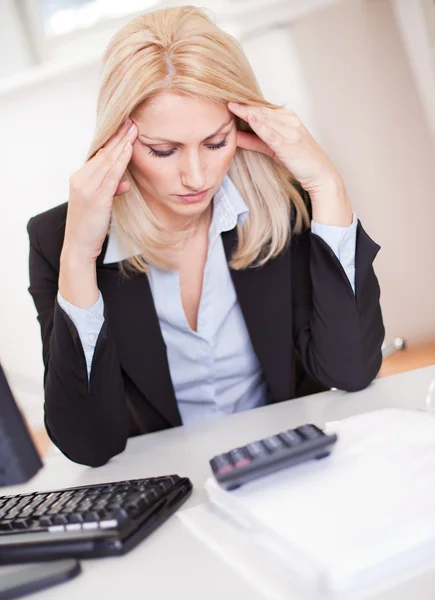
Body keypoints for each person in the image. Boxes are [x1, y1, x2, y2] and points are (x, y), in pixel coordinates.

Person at [27, 5, 384, 468]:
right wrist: (79, 254)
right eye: (163, 150)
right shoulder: (59, 239)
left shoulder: (282, 204)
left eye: (215, 143)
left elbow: (351, 370)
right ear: (119, 141)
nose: (196, 176)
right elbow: (89, 444)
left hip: (292, 464)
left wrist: (326, 184)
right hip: (169, 487)